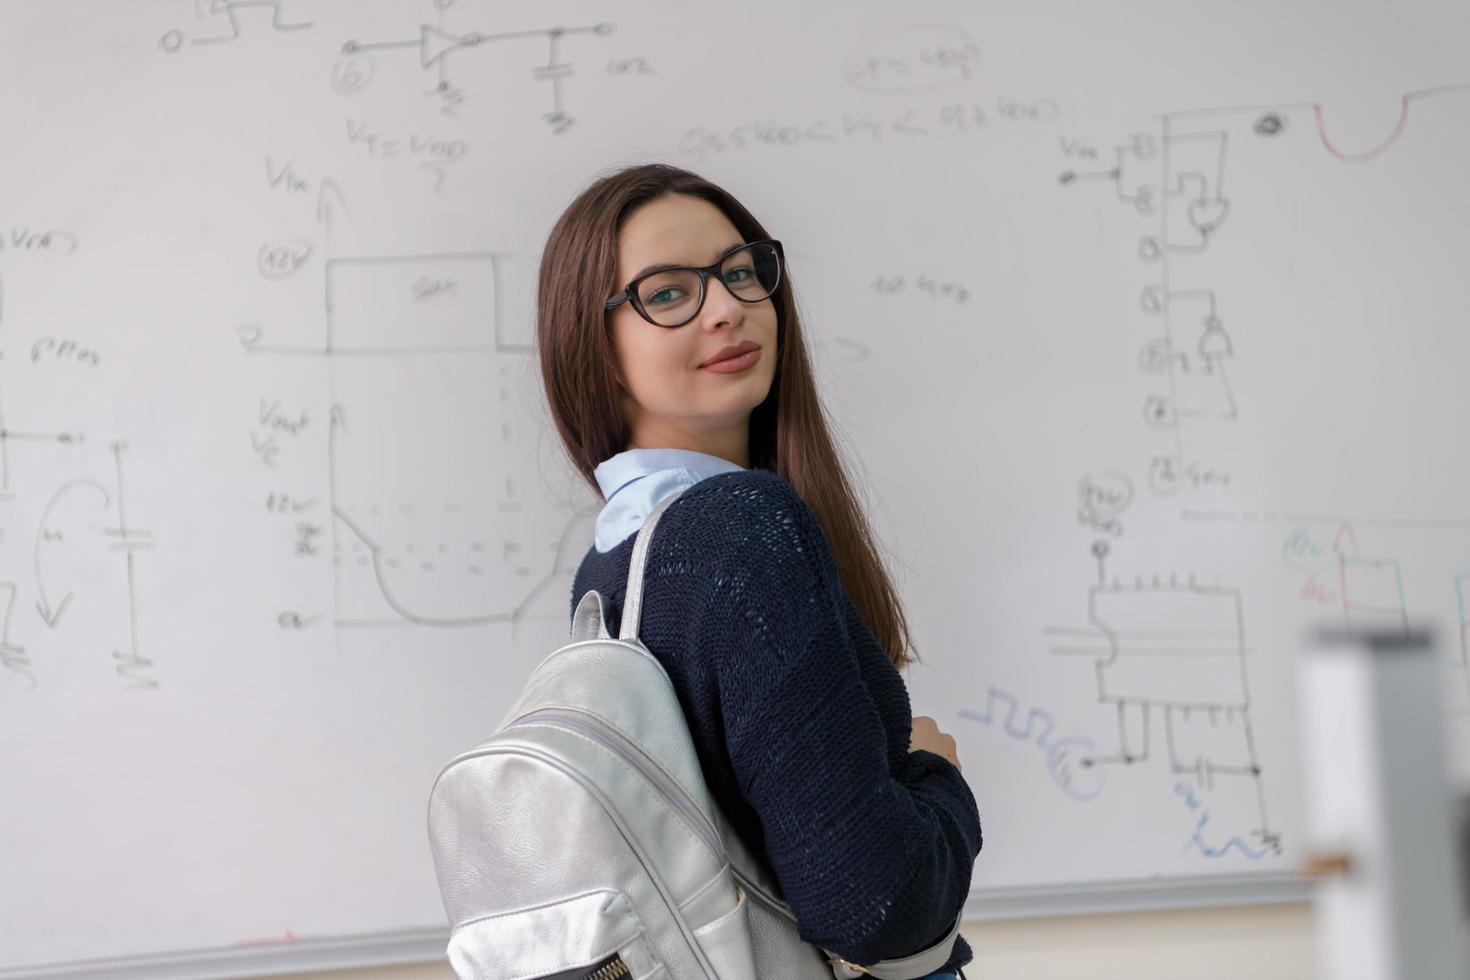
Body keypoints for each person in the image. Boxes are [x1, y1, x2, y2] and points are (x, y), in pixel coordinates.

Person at [537, 161, 980, 979]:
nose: (729, 306)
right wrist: (936, 775)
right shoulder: (744, 530)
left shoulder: (612, 564)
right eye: (669, 293)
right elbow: (876, 909)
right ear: (590, 344)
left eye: (741, 273)